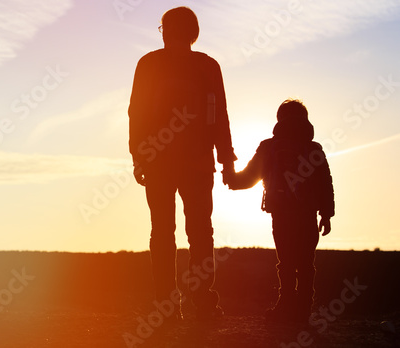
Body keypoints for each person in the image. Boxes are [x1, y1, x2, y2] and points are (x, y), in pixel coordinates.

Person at [128, 6, 237, 321]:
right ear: (194, 31)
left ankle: (165, 304)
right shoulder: (207, 65)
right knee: (200, 233)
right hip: (197, 164)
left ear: (165, 30)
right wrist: (226, 159)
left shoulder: (149, 64)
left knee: (163, 232)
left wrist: (139, 156)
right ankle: (201, 302)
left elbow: (137, 113)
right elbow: (219, 116)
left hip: (163, 163)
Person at [226, 99, 335, 323]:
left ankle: (285, 306)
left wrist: (230, 177)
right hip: (308, 214)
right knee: (306, 263)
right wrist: (326, 214)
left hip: (281, 213)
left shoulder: (269, 146)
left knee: (285, 261)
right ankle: (304, 309)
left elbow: (249, 178)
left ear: (279, 118)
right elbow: (325, 183)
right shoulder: (314, 149)